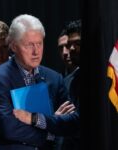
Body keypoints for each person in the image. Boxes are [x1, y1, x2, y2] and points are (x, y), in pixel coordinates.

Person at [0, 14, 79, 150]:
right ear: (14, 46)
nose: (36, 51)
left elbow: (72, 123)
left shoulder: (54, 78)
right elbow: (9, 128)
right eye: (29, 45)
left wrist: (38, 120)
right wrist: (50, 131)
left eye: (39, 43)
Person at [57, 20, 81, 150]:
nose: (70, 50)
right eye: (68, 44)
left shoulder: (109, 77)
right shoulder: (66, 83)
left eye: (76, 43)